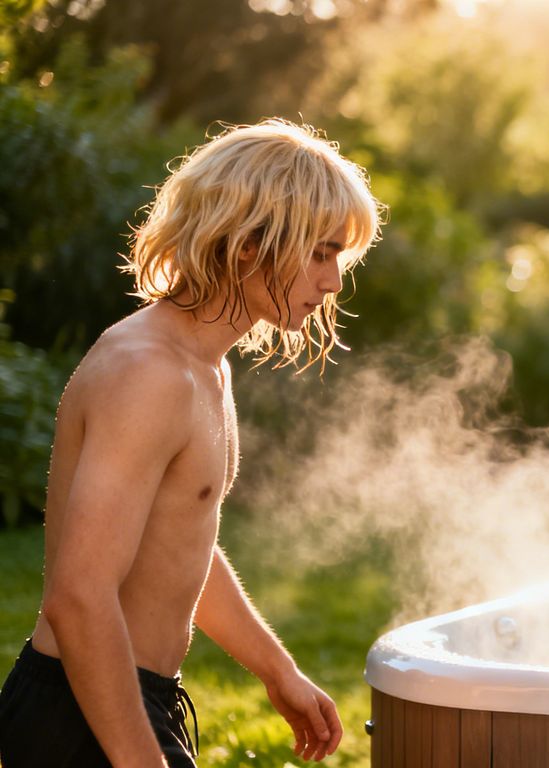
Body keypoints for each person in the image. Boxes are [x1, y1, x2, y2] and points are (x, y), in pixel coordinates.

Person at [0, 119, 383, 767]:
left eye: (338, 257)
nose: (333, 282)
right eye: (319, 253)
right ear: (246, 244)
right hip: (82, 713)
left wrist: (276, 669)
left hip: (126, 701)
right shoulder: (148, 374)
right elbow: (78, 595)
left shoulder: (204, 366)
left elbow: (179, 543)